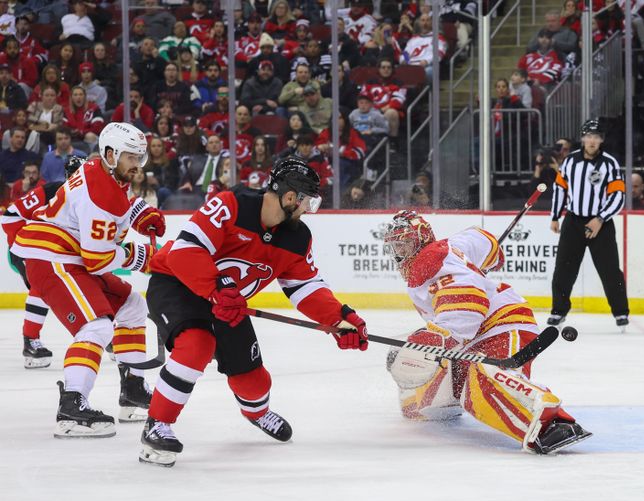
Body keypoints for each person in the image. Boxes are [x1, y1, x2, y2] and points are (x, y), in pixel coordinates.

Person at [139, 158, 369, 467]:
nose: (307, 210)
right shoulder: (231, 205)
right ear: (290, 197)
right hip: (179, 284)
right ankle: (157, 425)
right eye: (307, 202)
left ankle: (256, 412)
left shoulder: (297, 238)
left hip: (227, 302)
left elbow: (305, 288)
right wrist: (216, 289)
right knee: (196, 345)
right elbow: (185, 252)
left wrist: (341, 317)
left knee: (254, 379)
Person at [383, 210, 591, 454]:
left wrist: (436, 339)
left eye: (405, 244)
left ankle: (549, 421)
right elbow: (484, 240)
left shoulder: (428, 264)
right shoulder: (447, 247)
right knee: (418, 401)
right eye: (396, 246)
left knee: (478, 383)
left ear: (421, 240)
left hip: (502, 324)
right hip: (473, 336)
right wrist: (490, 259)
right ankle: (448, 400)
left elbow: (467, 308)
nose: (399, 253)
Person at [10, 122, 166, 437]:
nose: (136, 164)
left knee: (133, 306)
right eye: (130, 157)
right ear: (110, 154)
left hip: (72, 255)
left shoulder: (102, 168)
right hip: (52, 257)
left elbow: (120, 200)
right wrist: (143, 257)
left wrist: (139, 211)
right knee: (96, 326)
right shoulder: (100, 194)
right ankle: (72, 406)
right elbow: (99, 260)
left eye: (139, 156)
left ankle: (132, 389)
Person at [0, 158, 83, 369]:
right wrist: (26, 245)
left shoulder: (89, 199)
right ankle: (30, 341)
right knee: (41, 286)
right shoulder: (51, 191)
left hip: (58, 251)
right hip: (31, 249)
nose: (80, 180)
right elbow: (10, 216)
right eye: (76, 175)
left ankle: (100, 333)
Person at [548, 119, 629, 329]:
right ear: (583, 138)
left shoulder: (610, 163)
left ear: (601, 140)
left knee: (610, 270)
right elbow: (560, 189)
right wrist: (556, 216)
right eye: (589, 136)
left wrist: (600, 218)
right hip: (573, 221)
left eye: (596, 137)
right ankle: (558, 310)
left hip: (601, 224)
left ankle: (620, 312)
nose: (592, 140)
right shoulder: (570, 162)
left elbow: (618, 196)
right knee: (564, 268)